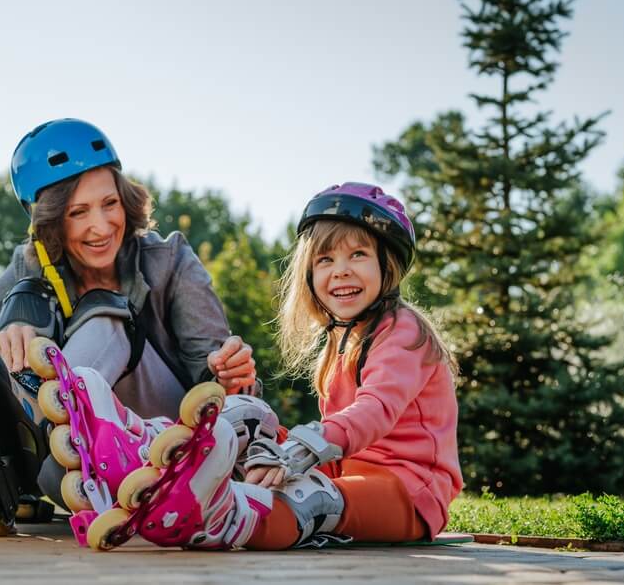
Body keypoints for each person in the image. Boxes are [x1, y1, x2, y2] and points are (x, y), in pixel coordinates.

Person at [0, 118, 258, 528]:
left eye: (110, 203)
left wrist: (229, 373)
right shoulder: (30, 262)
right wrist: (8, 333)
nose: (101, 226)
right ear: (50, 220)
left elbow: (221, 389)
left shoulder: (170, 261)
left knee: (106, 314)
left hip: (166, 447)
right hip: (70, 463)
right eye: (78, 212)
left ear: (125, 198)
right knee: (21, 311)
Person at [85, 181, 462, 550]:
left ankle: (215, 515)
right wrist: (269, 446)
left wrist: (298, 451)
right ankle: (150, 451)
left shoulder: (403, 331)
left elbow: (375, 411)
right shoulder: (342, 338)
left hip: (410, 491)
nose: (341, 270)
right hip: (346, 471)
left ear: (388, 263)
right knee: (250, 414)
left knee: (311, 498)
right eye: (325, 259)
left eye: (358, 255)